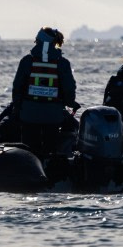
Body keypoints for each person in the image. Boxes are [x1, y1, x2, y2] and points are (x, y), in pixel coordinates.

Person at [11, 27, 78, 157]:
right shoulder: (63, 63)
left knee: (29, 151)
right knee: (51, 150)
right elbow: (69, 88)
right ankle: (50, 169)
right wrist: (70, 103)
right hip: (54, 117)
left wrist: (17, 108)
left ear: (39, 41)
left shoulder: (27, 61)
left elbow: (17, 87)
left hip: (28, 115)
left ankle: (30, 171)